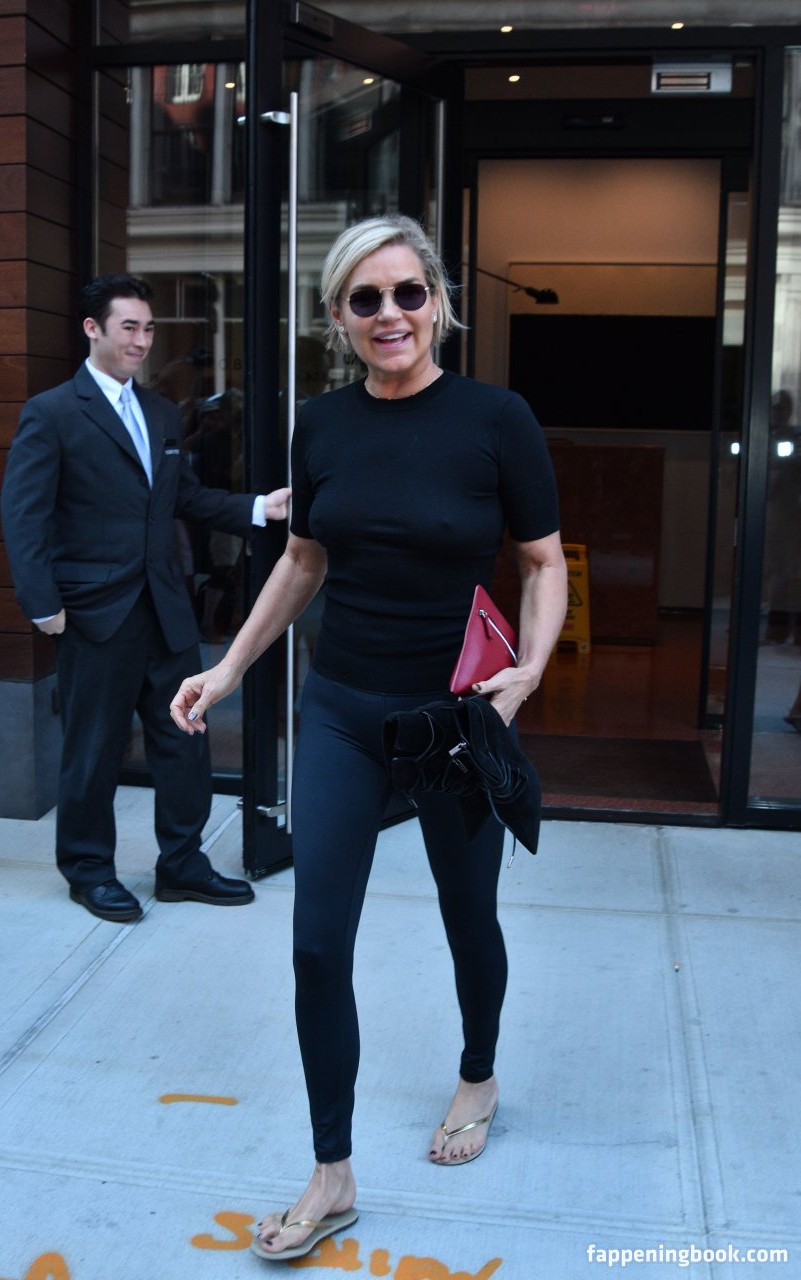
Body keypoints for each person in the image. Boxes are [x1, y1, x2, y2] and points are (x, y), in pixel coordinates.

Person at [170, 215, 568, 1260]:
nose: (389, 314)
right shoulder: (321, 425)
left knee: (466, 914)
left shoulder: (496, 419)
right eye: (365, 299)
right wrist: (229, 666)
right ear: (338, 317)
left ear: (437, 300)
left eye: (406, 293)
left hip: (454, 720)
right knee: (315, 943)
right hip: (343, 710)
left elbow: (542, 561)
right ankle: (331, 1171)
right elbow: (302, 560)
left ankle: (477, 1072)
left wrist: (526, 673)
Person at [0, 274, 290, 925]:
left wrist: (257, 508)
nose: (141, 340)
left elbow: (182, 497)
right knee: (93, 748)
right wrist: (42, 604)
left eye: (148, 328)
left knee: (183, 740)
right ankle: (88, 871)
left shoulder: (160, 412)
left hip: (165, 610)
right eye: (128, 326)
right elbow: (23, 514)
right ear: (93, 329)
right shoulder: (52, 412)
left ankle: (182, 865)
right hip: (94, 615)